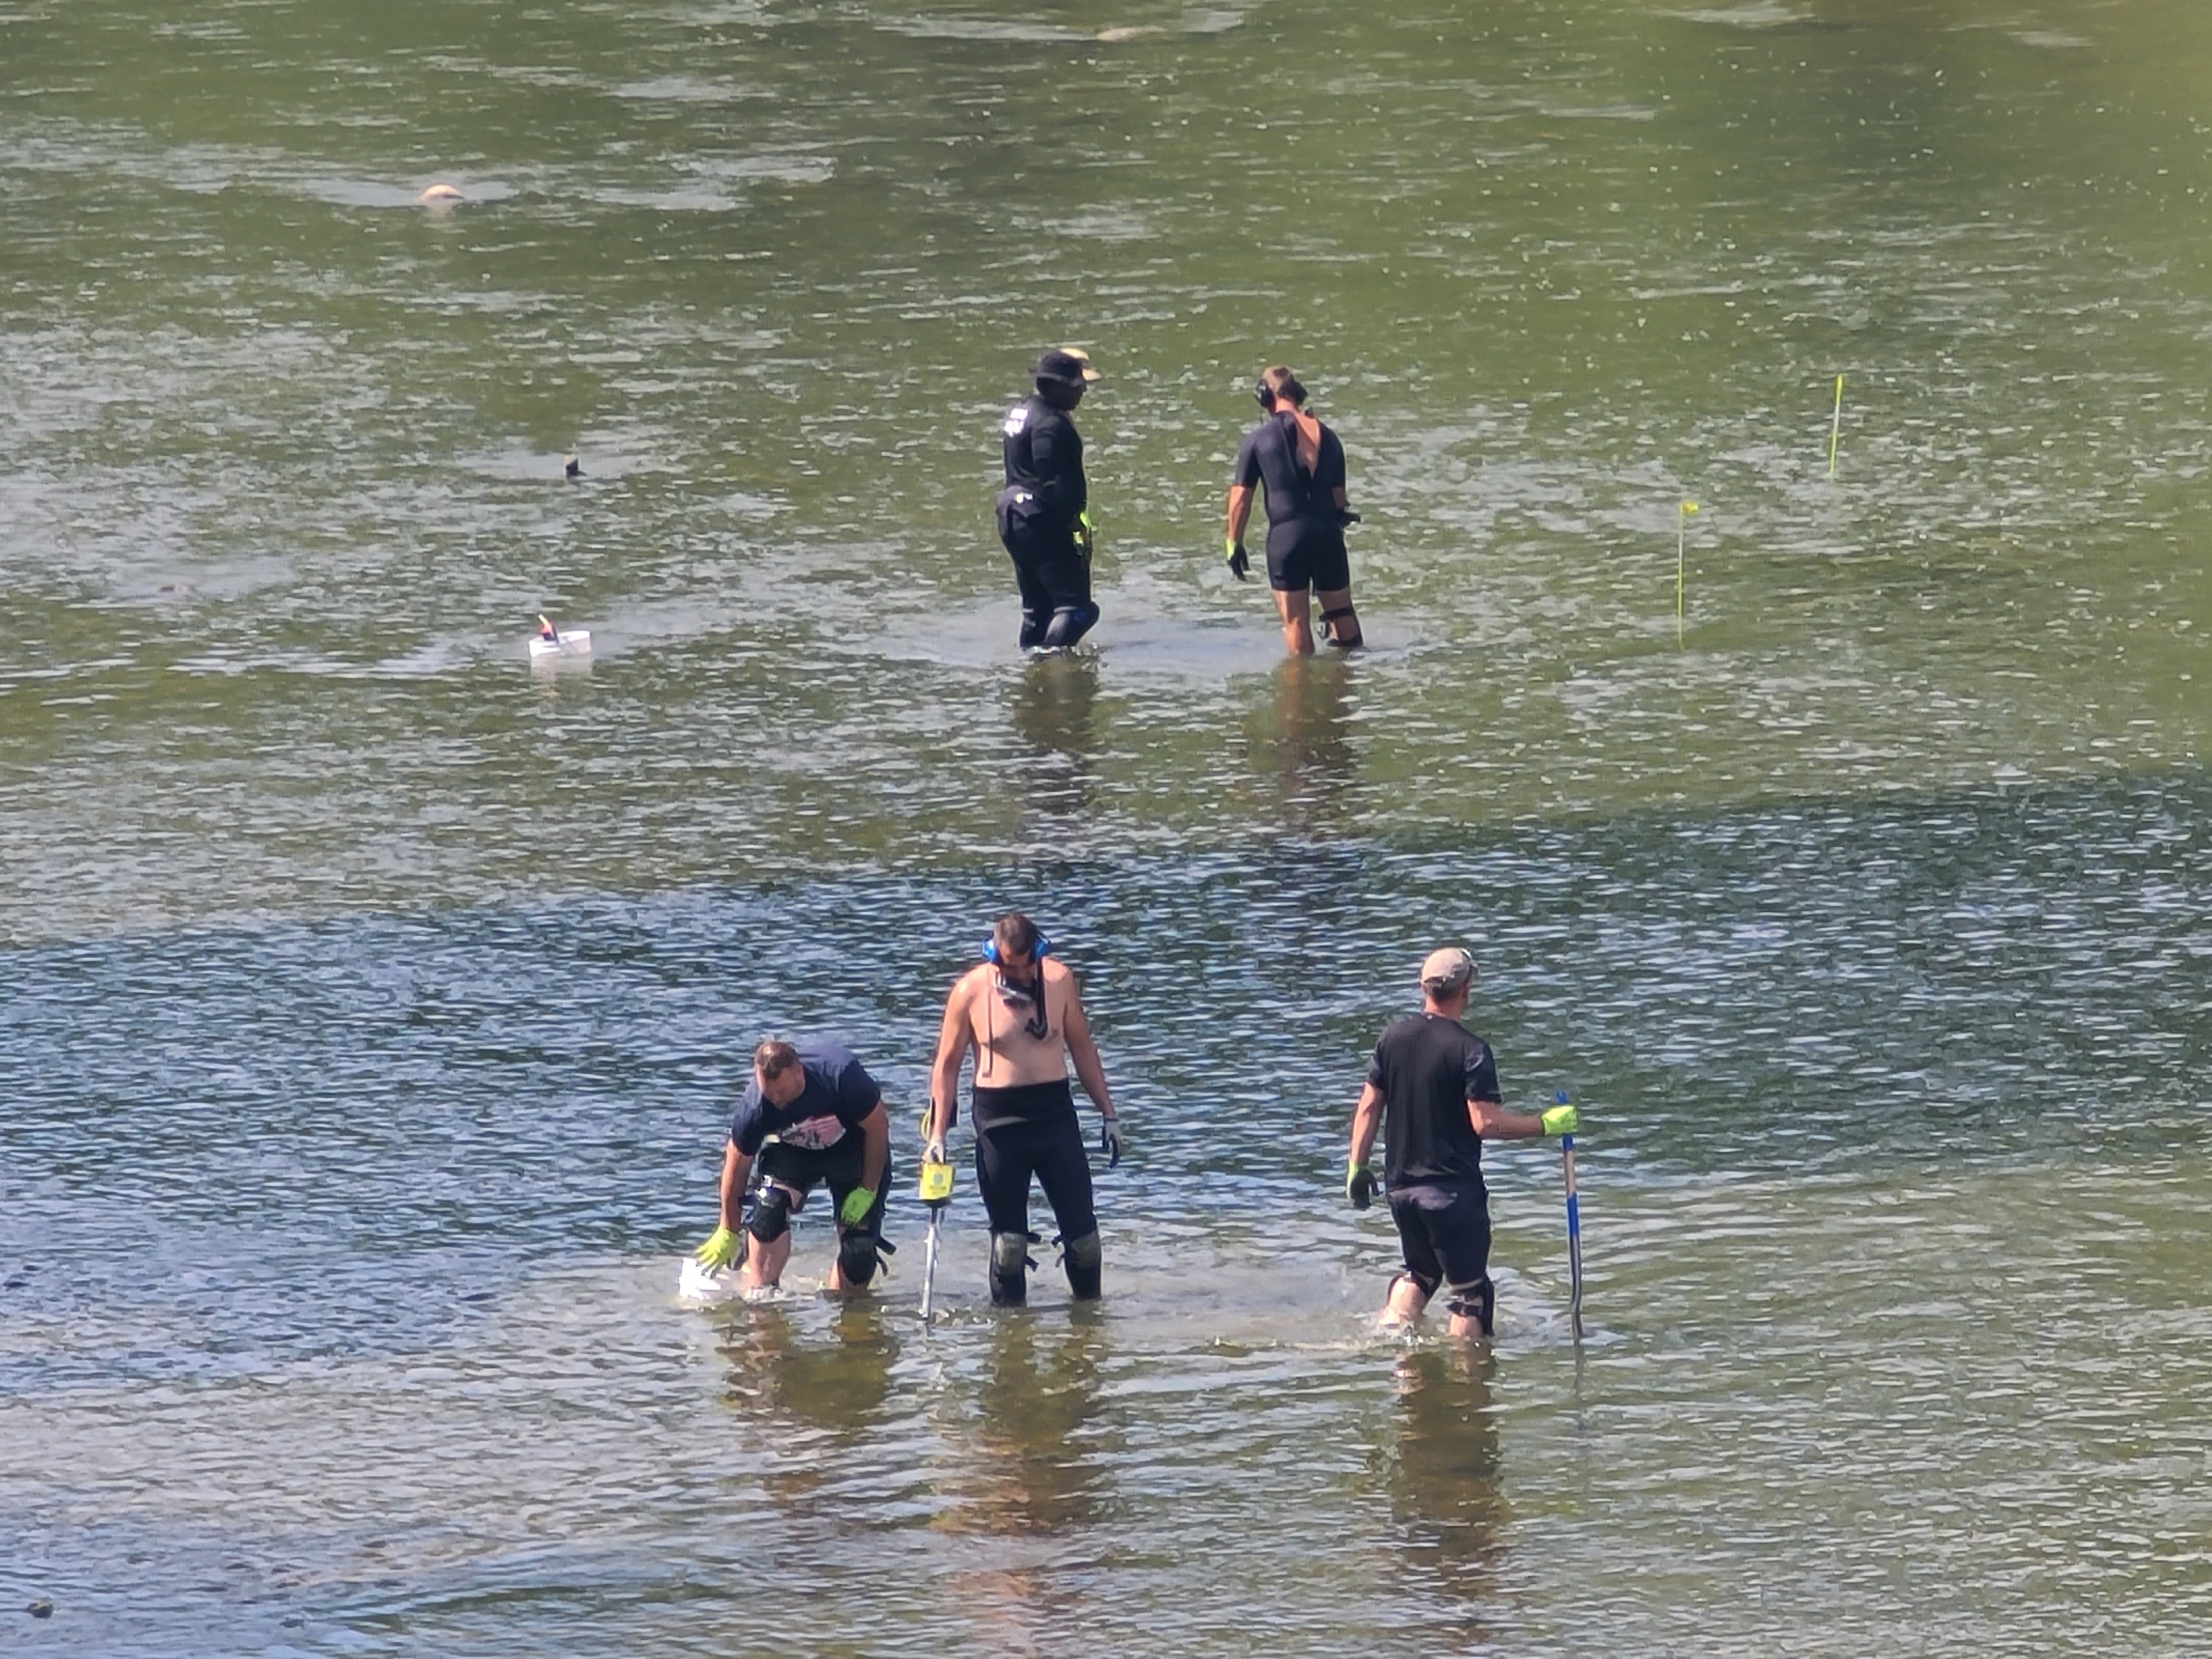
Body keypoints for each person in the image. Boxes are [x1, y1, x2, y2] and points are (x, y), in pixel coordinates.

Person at [1344, 948, 1579, 1339]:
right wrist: (1545, 1125)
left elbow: (1368, 1108)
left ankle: (1391, 1347)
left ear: (1424, 988)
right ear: (1466, 989)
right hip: (1451, 1194)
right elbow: (1485, 1123)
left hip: (1401, 1191)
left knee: (1420, 1275)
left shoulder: (1392, 1039)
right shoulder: (1471, 1050)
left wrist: (1357, 1168)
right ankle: (1463, 1387)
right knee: (1472, 1295)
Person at [925, 912, 1123, 1306]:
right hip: (999, 1122)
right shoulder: (969, 992)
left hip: (1054, 1116)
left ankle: (1090, 1327)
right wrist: (937, 1137)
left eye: (1022, 966)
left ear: (1037, 954)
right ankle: (1011, 1344)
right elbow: (946, 1066)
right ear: (992, 955)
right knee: (1009, 1245)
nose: (1014, 975)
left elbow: (1082, 1047)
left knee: (1084, 1240)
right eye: (1004, 966)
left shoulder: (1059, 981)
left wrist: (1109, 1113)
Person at [694, 1038, 894, 1293]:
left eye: (783, 1092)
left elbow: (878, 1128)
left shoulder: (841, 1077)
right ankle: (762, 1297)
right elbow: (738, 1162)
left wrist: (868, 1188)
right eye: (771, 1093)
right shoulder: (756, 1105)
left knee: (859, 1250)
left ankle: (845, 1311)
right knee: (769, 1208)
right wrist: (728, 1228)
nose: (778, 1100)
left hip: (852, 1150)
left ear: (799, 1071)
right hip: (794, 1152)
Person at [1224, 365, 1364, 654]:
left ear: (1264, 396)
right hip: (1328, 536)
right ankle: (1348, 687)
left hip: (1287, 539)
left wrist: (1233, 543)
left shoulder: (1258, 439)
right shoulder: (1330, 437)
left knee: (1296, 622)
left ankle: (1301, 694)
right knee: (1342, 616)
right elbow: (1339, 499)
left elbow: (1240, 498)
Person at [997, 347, 1101, 653]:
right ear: (1055, 386)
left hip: (1012, 513)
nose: (1082, 392)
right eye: (1076, 387)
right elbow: (1056, 484)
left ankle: (1030, 669)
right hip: (1040, 518)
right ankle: (1050, 666)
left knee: (1037, 610)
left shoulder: (1022, 412)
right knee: (1078, 610)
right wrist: (1078, 532)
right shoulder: (1052, 425)